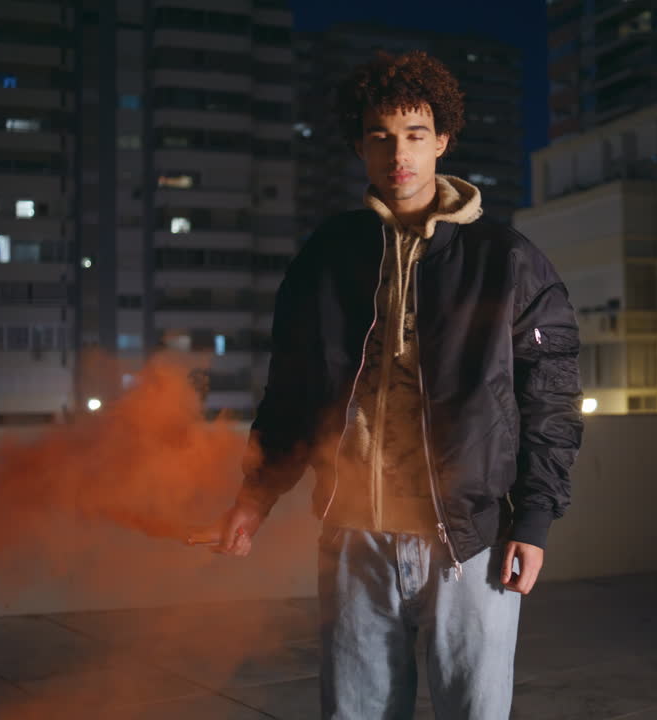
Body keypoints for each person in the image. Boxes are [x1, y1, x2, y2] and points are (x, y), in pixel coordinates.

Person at [213, 50, 583, 719]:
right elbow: (291, 391)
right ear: (359, 145)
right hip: (355, 531)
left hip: (468, 538)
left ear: (442, 139)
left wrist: (533, 520)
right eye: (380, 135)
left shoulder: (507, 260)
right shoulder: (329, 255)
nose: (398, 153)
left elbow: (550, 400)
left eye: (415, 134)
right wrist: (255, 495)